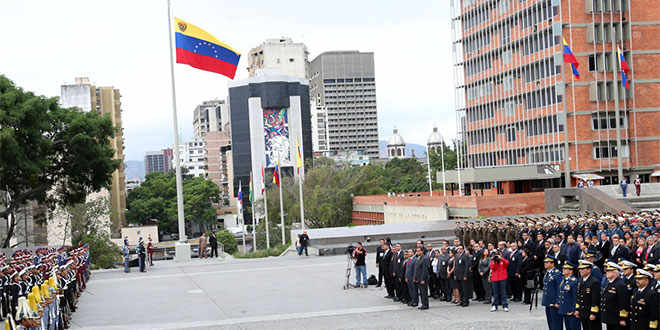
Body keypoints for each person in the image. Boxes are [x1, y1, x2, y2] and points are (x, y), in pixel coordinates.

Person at [600, 262, 630, 330]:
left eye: (609, 271)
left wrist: (623, 318)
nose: (607, 272)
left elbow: (623, 302)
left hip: (616, 318)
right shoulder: (609, 282)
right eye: (607, 271)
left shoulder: (620, 285)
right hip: (609, 317)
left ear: (615, 272)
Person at [576, 260, 601, 330]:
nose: (580, 271)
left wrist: (593, 313)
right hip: (583, 312)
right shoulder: (581, 280)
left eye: (582, 269)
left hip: (591, 312)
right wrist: (577, 309)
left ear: (589, 270)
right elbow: (579, 296)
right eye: (579, 269)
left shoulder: (594, 282)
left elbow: (595, 299)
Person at [558, 262, 579, 330]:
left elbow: (575, 297)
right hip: (565, 309)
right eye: (563, 268)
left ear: (571, 271)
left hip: (571, 310)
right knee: (568, 327)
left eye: (565, 268)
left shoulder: (574, 281)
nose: (563, 270)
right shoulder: (564, 280)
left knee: (574, 327)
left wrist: (574, 309)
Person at [542, 256, 562, 330]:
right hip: (548, 301)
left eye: (547, 262)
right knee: (550, 322)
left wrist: (558, 302)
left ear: (552, 264)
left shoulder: (557, 273)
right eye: (545, 262)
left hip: (554, 302)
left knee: (556, 323)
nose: (545, 264)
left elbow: (559, 289)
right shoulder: (548, 273)